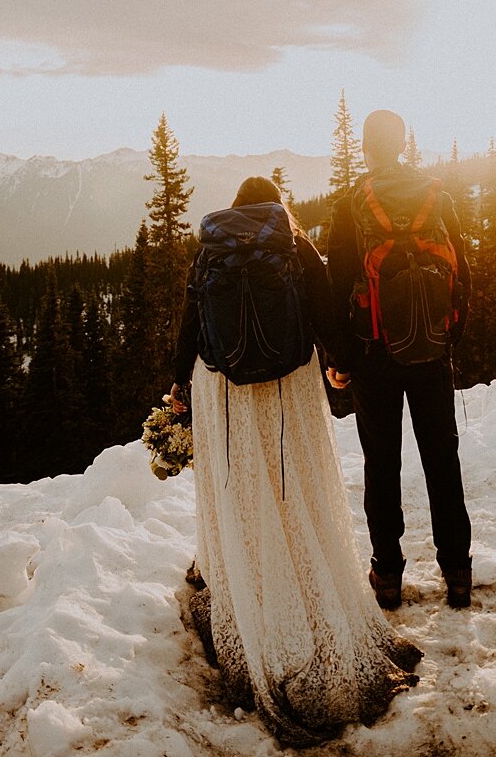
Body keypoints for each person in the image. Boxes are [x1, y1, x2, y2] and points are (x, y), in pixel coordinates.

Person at [169, 176, 421, 749]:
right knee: (292, 480)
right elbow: (323, 306)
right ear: (276, 205)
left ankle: (247, 573)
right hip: (286, 385)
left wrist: (178, 381)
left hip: (223, 388)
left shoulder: (211, 247)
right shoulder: (291, 240)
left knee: (238, 483)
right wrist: (340, 360)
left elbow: (190, 318)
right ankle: (304, 566)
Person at [326, 111, 473, 611]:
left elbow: (335, 283)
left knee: (382, 466)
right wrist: (448, 335)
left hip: (374, 357)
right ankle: (457, 573)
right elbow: (464, 272)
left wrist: (341, 360)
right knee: (441, 461)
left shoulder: (353, 204)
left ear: (368, 149)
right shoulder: (436, 195)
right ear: (404, 144)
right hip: (432, 355)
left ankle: (387, 575)